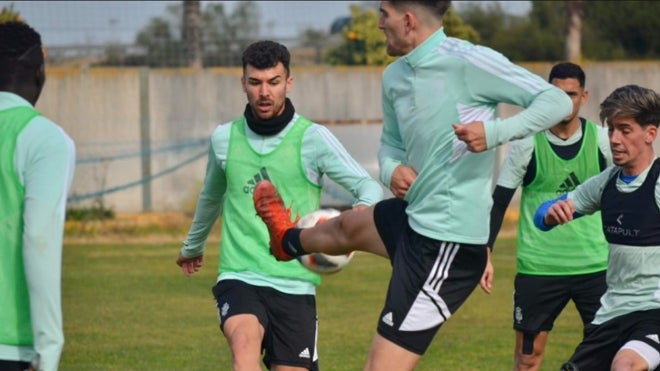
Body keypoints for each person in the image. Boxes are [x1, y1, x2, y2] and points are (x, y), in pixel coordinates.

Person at [251, 1, 573, 370]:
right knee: (345, 226)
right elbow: (390, 143)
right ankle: (285, 240)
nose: (378, 24)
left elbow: (557, 101)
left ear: (408, 21)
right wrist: (391, 170)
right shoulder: (394, 76)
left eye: (384, 14)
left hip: (446, 243)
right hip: (413, 216)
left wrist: (496, 133)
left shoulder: (469, 61)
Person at [175, 40, 383, 371]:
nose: (264, 92)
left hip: (296, 283)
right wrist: (193, 246)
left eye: (273, 82)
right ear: (243, 83)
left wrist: (359, 216)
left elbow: (366, 185)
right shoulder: (224, 138)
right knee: (243, 349)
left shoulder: (313, 138)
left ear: (289, 81)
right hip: (240, 275)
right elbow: (211, 195)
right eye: (255, 82)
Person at [483, 62, 612, 370]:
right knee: (527, 359)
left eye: (571, 94)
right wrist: (484, 253)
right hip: (539, 268)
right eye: (557, 94)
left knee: (611, 354)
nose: (565, 102)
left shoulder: (604, 140)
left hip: (596, 267)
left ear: (584, 96)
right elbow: (499, 202)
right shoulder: (527, 142)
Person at [535, 84, 660, 371]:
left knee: (625, 366)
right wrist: (551, 213)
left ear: (650, 133)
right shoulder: (606, 183)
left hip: (654, 311)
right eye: (611, 129)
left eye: (625, 130)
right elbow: (541, 217)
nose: (614, 139)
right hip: (612, 313)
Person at [0, 21, 76, 371]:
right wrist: (48, 348)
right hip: (11, 342)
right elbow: (38, 240)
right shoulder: (44, 139)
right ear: (38, 69)